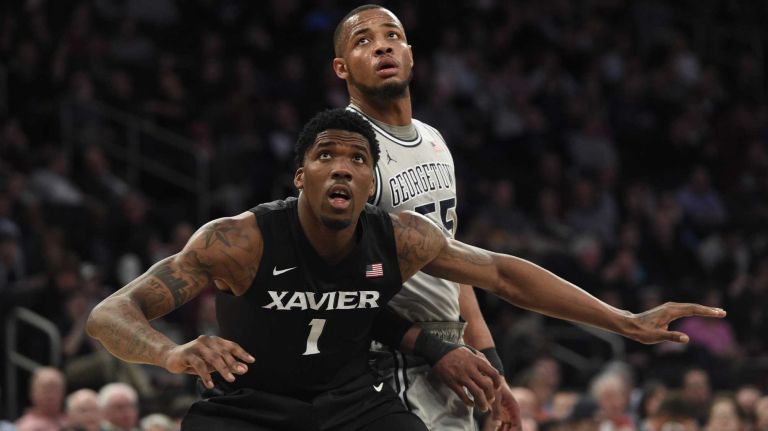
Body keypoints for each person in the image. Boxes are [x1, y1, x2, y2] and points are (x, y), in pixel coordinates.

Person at [87, 108, 726, 431]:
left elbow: (502, 274)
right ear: (300, 174)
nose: (343, 166)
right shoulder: (238, 241)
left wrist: (625, 320)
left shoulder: (399, 238)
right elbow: (109, 313)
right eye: (326, 155)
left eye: (359, 159)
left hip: (350, 404)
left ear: (372, 180)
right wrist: (171, 355)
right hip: (248, 408)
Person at [331, 5, 518, 430]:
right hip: (388, 363)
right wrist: (434, 349)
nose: (381, 46)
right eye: (364, 41)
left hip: (449, 358)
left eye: (392, 36)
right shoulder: (347, 152)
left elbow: (453, 262)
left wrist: (491, 366)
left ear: (410, 53)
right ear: (341, 68)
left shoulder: (432, 138)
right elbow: (337, 289)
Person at [14, 367, 66, 431]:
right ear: (32, 392)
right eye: (46, 390)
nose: (51, 395)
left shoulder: (72, 421)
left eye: (55, 389)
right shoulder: (25, 427)